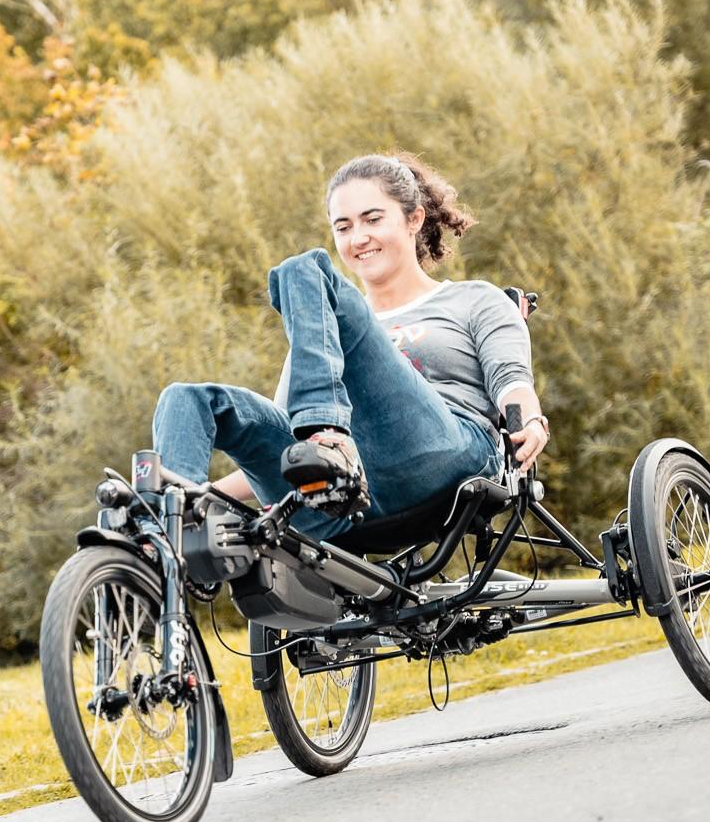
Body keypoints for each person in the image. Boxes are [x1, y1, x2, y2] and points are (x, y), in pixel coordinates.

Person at [151, 151, 549, 539]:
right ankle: (162, 534)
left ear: (414, 219)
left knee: (302, 269)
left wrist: (530, 421)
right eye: (343, 227)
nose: (358, 238)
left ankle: (329, 439)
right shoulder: (320, 328)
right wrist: (205, 500)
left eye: (372, 219)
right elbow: (286, 446)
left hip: (443, 461)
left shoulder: (472, 299)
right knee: (185, 399)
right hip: (341, 500)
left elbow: (511, 381)